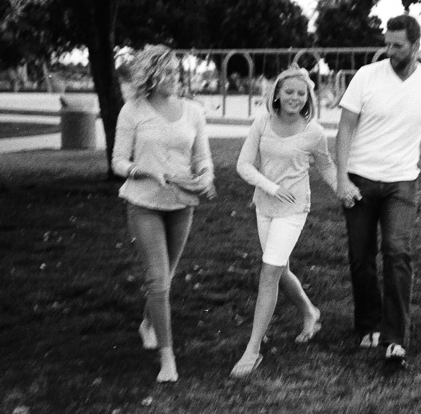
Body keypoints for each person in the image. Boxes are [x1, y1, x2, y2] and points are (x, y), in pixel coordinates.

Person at [335, 14, 421, 368]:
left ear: (416, 46)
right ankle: (368, 324)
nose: (390, 49)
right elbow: (345, 129)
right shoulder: (367, 76)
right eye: (387, 42)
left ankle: (395, 337)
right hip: (360, 178)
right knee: (361, 257)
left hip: (402, 182)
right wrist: (341, 178)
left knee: (398, 253)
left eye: (397, 45)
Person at [111, 45, 216, 383]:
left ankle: (147, 321)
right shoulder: (132, 111)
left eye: (176, 72)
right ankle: (167, 359)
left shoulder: (193, 111)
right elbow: (118, 162)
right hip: (144, 203)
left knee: (165, 279)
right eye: (166, 72)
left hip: (182, 204)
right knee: (158, 279)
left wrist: (206, 177)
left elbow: (203, 159)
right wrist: (145, 172)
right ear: (150, 76)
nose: (174, 78)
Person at [230, 68, 337, 378]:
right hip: (264, 205)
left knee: (269, 271)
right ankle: (309, 311)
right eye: (289, 92)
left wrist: (344, 190)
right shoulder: (262, 123)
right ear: (277, 93)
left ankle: (252, 350)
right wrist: (271, 187)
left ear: (308, 98)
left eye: (301, 93)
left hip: (294, 209)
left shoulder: (314, 131)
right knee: (281, 270)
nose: (295, 97)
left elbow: (326, 167)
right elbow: (243, 165)